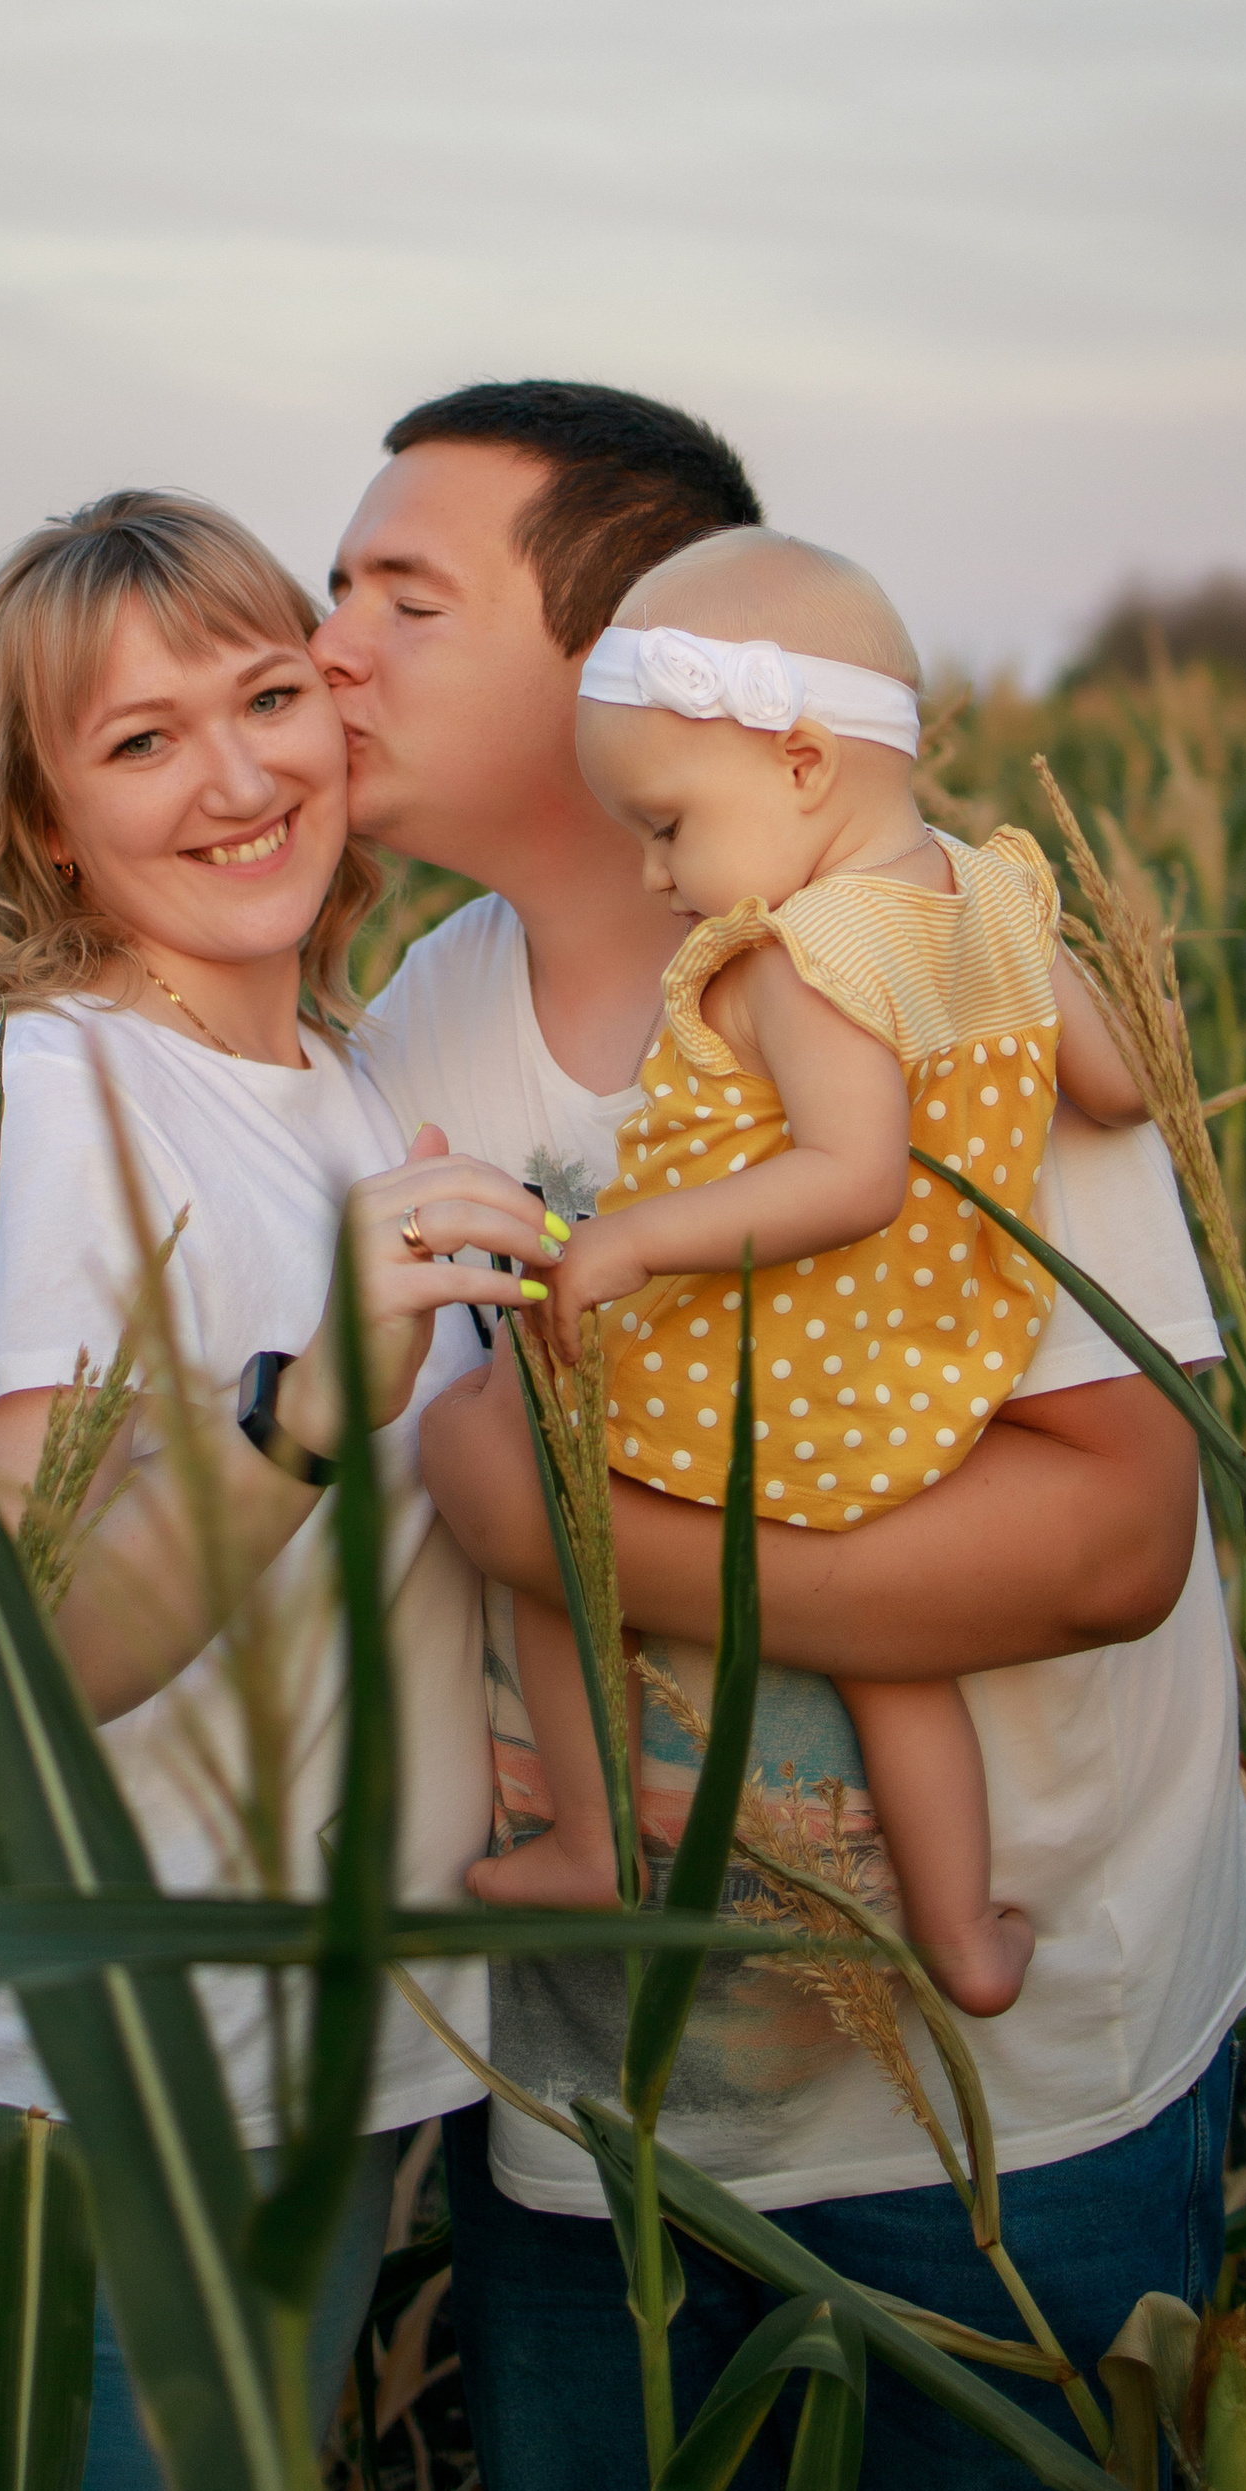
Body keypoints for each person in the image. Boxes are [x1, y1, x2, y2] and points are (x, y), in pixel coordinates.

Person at [314, 382, 1246, 2491]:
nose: (321, 649)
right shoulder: (418, 1020)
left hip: (999, 2127)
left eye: (392, 597)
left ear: (628, 657)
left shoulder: (899, 963)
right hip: (605, 2125)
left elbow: (1104, 1535)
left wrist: (534, 1515)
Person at [0, 490, 557, 2491]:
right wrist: (313, 1389)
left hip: (307, 2064)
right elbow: (40, 1660)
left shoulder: (323, 1087)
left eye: (262, 698)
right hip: (77, 2097)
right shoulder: (44, 1095)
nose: (234, 777)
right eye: (140, 741)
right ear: (41, 812)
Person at [471, 525, 1150, 2025]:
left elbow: (850, 1177)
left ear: (798, 766)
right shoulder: (995, 899)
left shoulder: (802, 952)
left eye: (662, 825)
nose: (655, 874)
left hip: (767, 1359)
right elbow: (1121, 1086)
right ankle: (962, 1933)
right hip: (923, 1377)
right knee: (894, 1667)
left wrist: (632, 1237)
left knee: (533, 1507)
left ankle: (591, 1844)